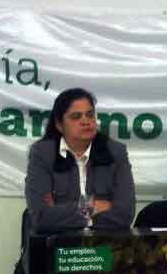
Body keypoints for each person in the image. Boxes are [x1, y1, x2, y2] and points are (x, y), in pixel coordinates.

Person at [25, 88, 136, 233]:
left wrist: (64, 213)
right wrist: (93, 207)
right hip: (60, 248)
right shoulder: (42, 155)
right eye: (76, 116)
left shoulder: (115, 153)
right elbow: (41, 217)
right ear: (59, 125)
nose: (85, 121)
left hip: (104, 247)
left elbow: (125, 215)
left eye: (90, 115)